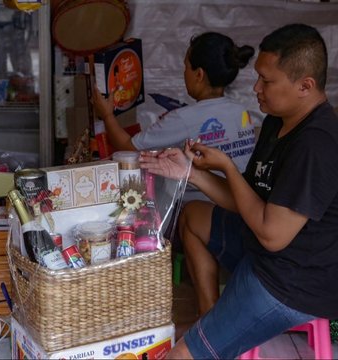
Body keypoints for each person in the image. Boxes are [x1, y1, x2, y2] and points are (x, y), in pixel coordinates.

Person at [139, 23, 338, 359]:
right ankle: (212, 319)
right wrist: (192, 175)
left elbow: (273, 234)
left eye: (267, 81)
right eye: (257, 77)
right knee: (194, 217)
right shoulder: (277, 120)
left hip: (291, 281)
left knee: (178, 356)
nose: (256, 88)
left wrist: (227, 167)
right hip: (263, 251)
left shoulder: (316, 144)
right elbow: (249, 200)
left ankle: (210, 338)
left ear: (305, 85)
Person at [92, 32, 256, 177]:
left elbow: (128, 149)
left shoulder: (184, 118)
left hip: (200, 203)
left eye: (186, 67)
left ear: (199, 74)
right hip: (236, 202)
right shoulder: (242, 111)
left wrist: (107, 115)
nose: (184, 73)